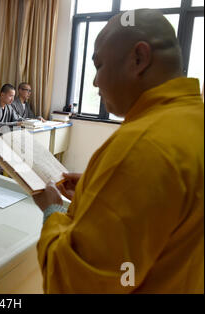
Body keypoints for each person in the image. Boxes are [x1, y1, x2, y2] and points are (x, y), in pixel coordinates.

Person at [32, 9, 204, 293]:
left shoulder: (142, 146)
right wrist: (91, 191)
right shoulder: (193, 119)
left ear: (139, 58)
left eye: (99, 65)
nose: (95, 82)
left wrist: (52, 211)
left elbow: (73, 283)